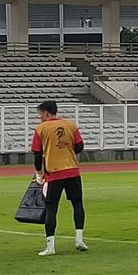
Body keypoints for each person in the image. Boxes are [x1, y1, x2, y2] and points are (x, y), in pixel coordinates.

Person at [31, 100, 87, 256]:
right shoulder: (71, 125)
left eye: (40, 114)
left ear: (46, 113)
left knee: (51, 208)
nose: (40, 118)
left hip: (54, 173)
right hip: (72, 171)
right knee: (77, 203)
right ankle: (79, 239)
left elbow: (36, 154)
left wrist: (38, 172)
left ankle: (50, 246)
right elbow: (80, 146)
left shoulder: (40, 129)